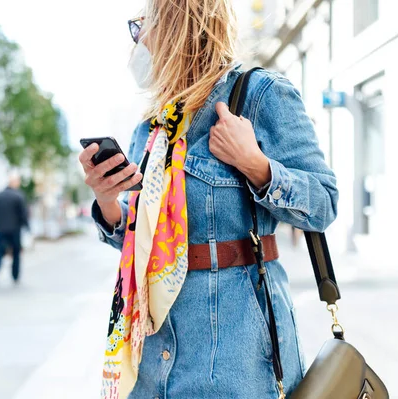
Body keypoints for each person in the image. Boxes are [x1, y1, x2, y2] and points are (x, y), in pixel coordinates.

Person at [79, 1, 339, 398]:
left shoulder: (259, 95)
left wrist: (256, 165)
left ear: (174, 28)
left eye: (141, 27)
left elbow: (324, 202)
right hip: (149, 358)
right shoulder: (152, 126)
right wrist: (107, 199)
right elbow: (139, 242)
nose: (138, 42)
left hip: (235, 357)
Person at [0, 172, 29, 287]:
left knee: (0, 252)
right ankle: (15, 276)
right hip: (15, 230)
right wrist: (27, 227)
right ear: (14, 182)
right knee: (16, 253)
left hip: (2, 229)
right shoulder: (18, 196)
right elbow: (23, 214)